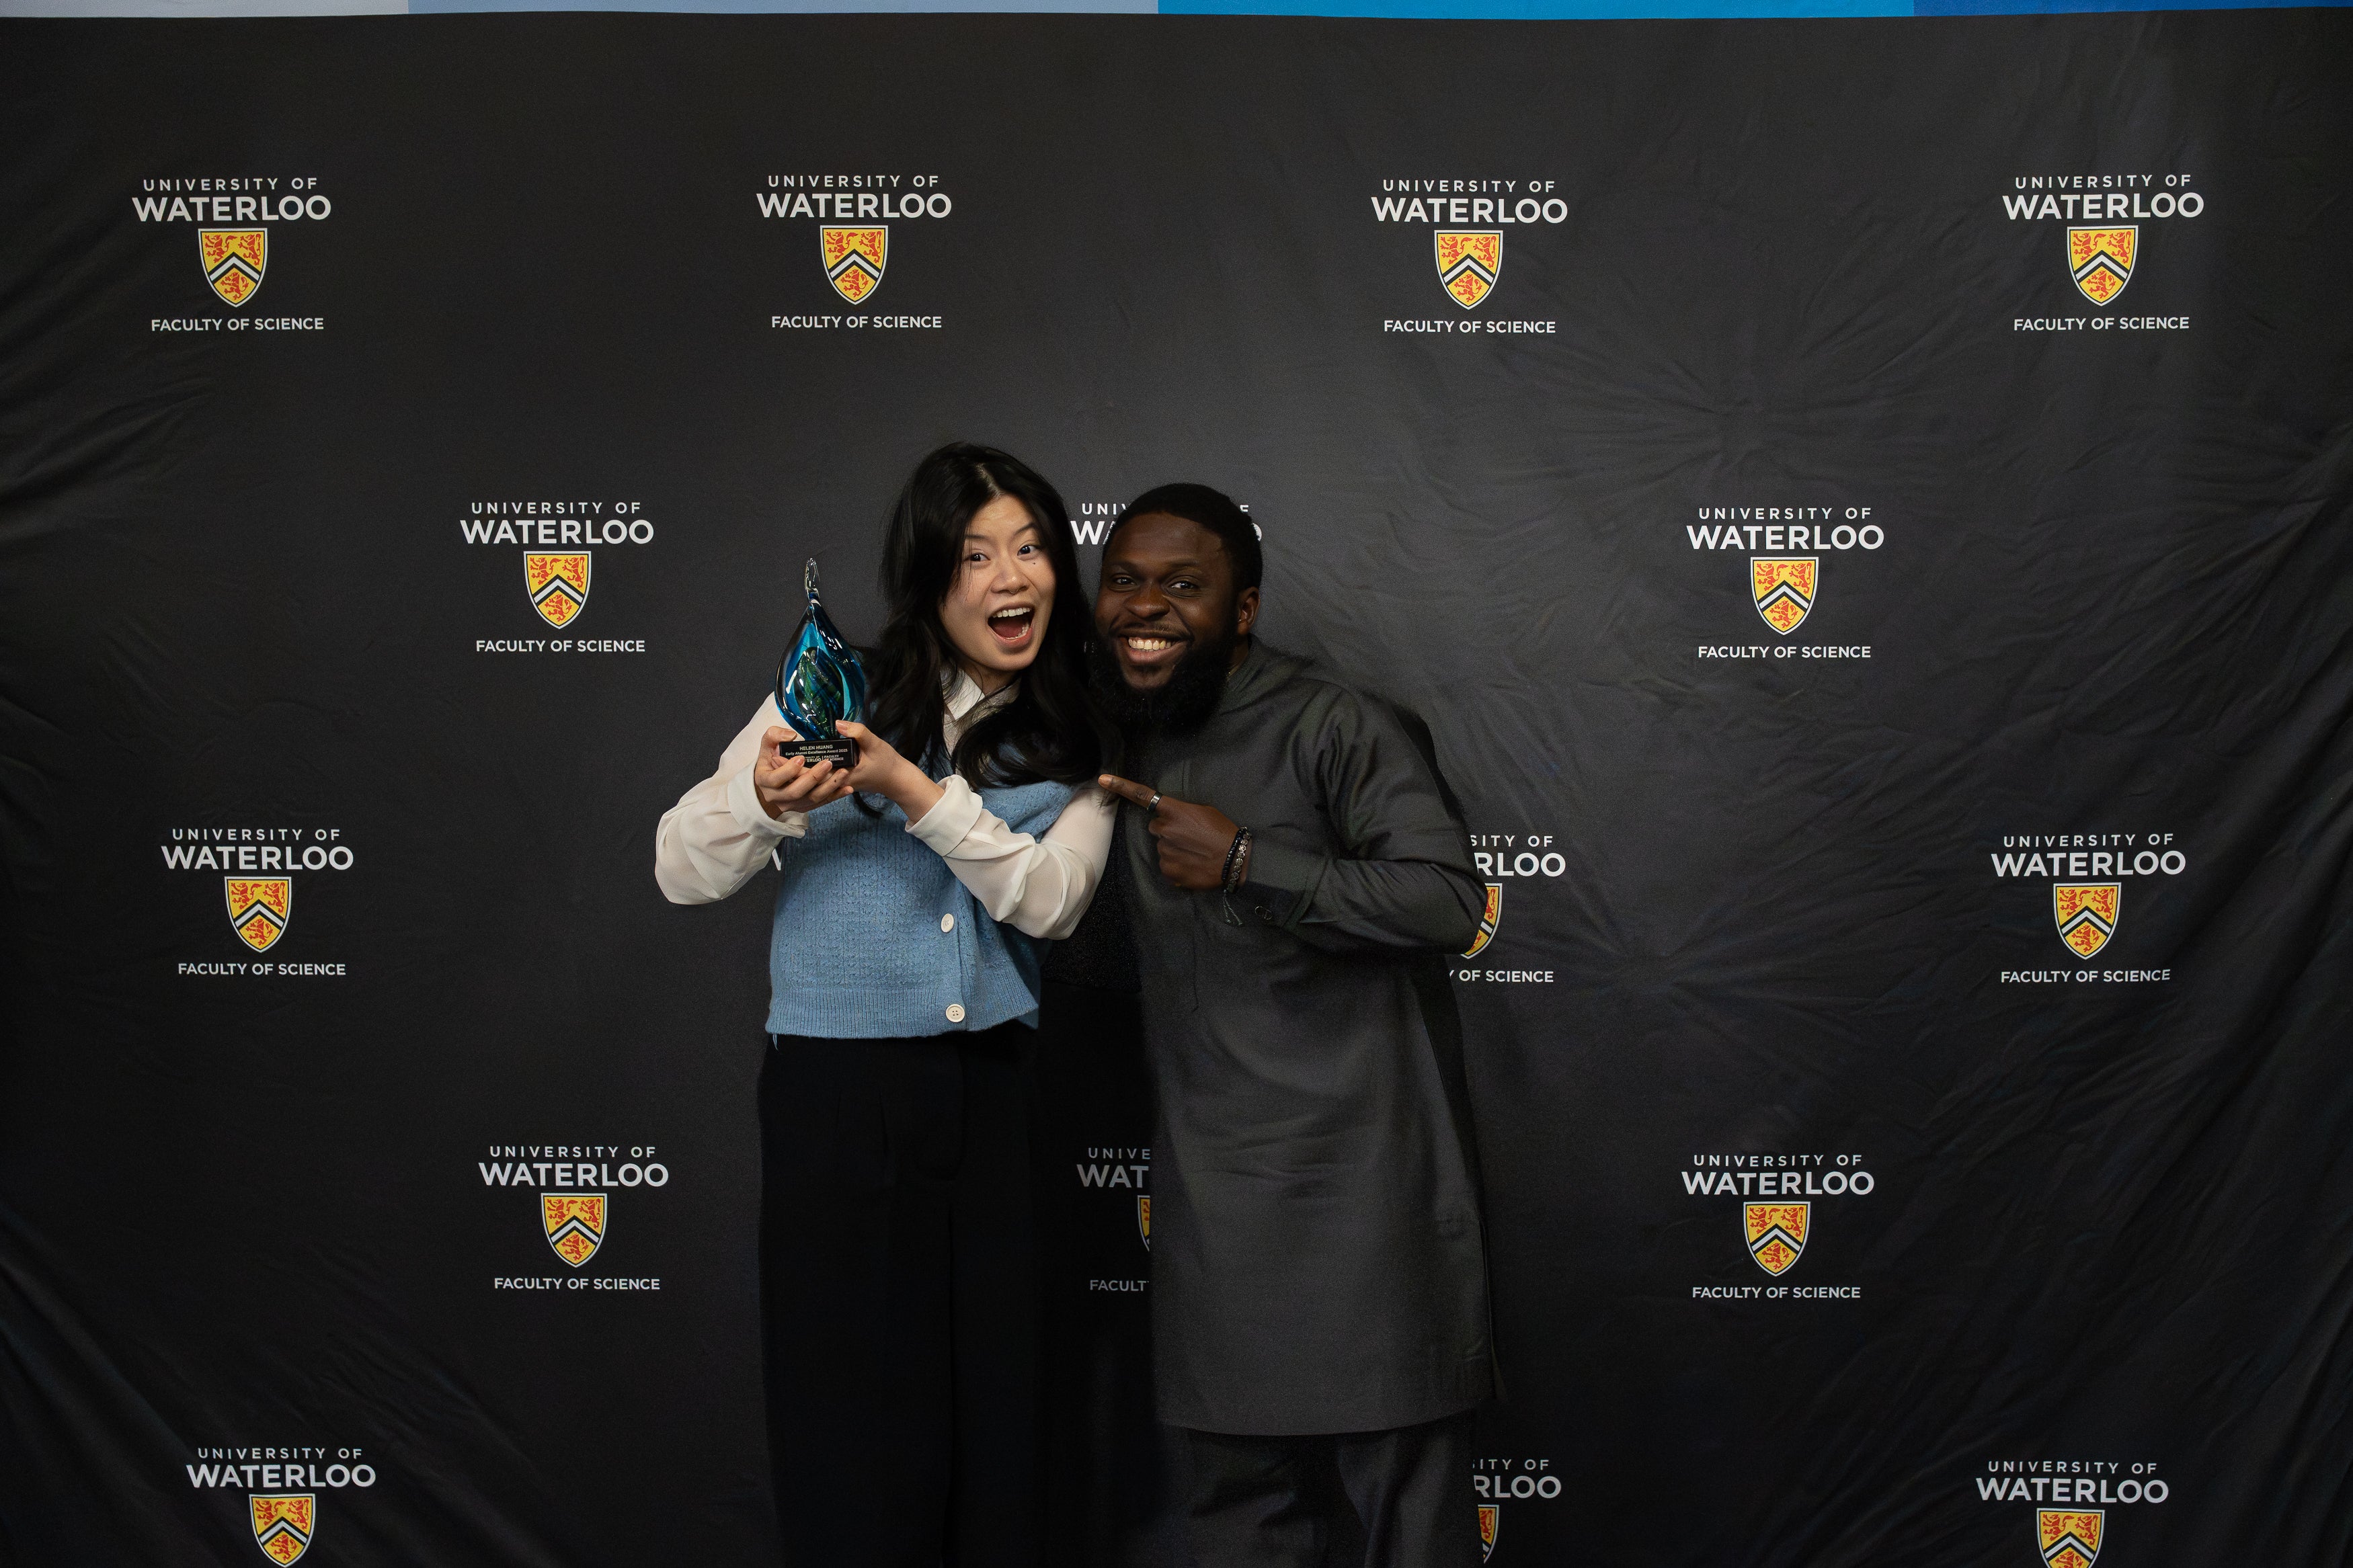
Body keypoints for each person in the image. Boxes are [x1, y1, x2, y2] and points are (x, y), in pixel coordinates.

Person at [653, 443, 1116, 1567]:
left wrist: (912, 788)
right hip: (837, 1097)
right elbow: (677, 866)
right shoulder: (829, 687)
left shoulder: (1085, 732)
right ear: (928, 574)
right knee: (850, 1417)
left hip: (998, 1098)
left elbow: (1051, 901)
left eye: (1031, 548)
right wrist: (761, 802)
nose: (1012, 577)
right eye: (977, 554)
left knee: (1000, 1415)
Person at [1088, 484, 1495, 1568]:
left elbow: (1449, 902)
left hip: (1368, 1210)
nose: (1145, 606)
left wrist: (1244, 860)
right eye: (1124, 580)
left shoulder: (1336, 722)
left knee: (1408, 1525)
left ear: (1245, 607)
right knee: (1238, 1522)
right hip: (1215, 1219)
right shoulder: (1114, 731)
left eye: (1183, 584)